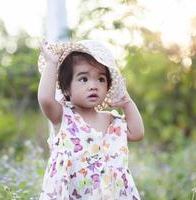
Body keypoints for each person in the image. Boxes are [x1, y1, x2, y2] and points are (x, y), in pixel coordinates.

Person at [37, 39, 144, 200]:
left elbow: (137, 133)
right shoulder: (64, 116)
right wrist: (51, 63)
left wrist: (127, 103)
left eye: (101, 79)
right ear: (66, 88)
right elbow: (45, 98)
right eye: (84, 79)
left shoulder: (111, 120)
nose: (94, 85)